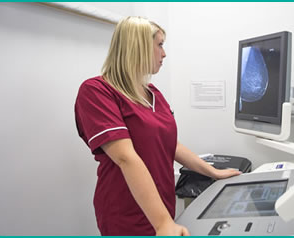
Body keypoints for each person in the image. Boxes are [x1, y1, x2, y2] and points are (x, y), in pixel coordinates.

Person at [74, 16, 241, 236]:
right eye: (160, 45)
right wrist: (163, 223)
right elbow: (125, 157)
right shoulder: (97, 91)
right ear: (139, 46)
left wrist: (213, 172)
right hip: (126, 214)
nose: (164, 53)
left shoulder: (153, 94)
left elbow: (171, 145)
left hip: (161, 207)